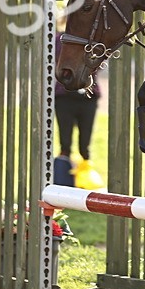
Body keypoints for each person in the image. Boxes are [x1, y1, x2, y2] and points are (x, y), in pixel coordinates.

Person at [53, 27, 103, 189]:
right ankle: (63, 182)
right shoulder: (58, 40)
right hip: (64, 96)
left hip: (87, 97)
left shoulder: (93, 42)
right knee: (65, 143)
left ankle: (83, 181)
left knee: (84, 145)